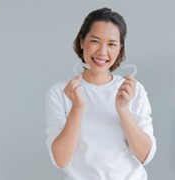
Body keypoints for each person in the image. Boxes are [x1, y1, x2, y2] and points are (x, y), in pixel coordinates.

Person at [45, 7, 156, 180]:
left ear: (120, 48)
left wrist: (123, 109)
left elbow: (145, 156)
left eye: (111, 44)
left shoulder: (133, 90)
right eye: (95, 41)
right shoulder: (61, 92)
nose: (102, 52)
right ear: (82, 41)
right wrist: (78, 107)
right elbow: (61, 160)